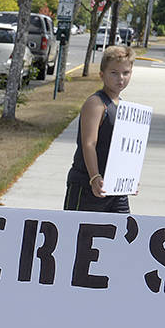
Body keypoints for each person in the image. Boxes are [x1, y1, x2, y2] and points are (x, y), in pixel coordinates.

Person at [63, 44, 135, 213]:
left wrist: (129, 179)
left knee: (122, 235)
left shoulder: (123, 107)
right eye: (114, 73)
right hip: (87, 185)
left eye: (126, 73)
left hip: (116, 190)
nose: (121, 78)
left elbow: (124, 149)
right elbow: (89, 143)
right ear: (102, 75)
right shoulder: (96, 103)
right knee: (79, 237)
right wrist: (94, 177)